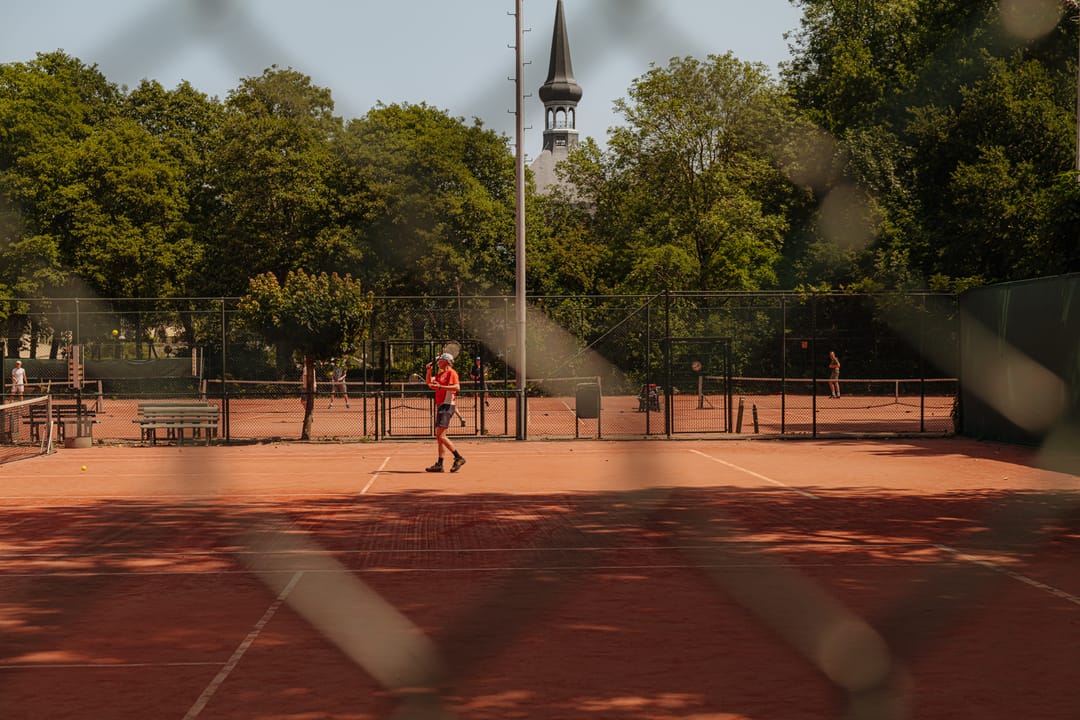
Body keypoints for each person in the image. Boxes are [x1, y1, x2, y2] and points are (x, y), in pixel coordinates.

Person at [425, 352, 466, 473]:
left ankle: (458, 457)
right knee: (439, 437)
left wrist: (441, 387)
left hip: (447, 405)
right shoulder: (440, 374)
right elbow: (429, 383)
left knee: (441, 436)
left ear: (446, 362)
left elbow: (457, 387)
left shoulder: (451, 373)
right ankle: (440, 464)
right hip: (442, 406)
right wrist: (428, 371)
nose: (438, 362)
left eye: (440, 360)